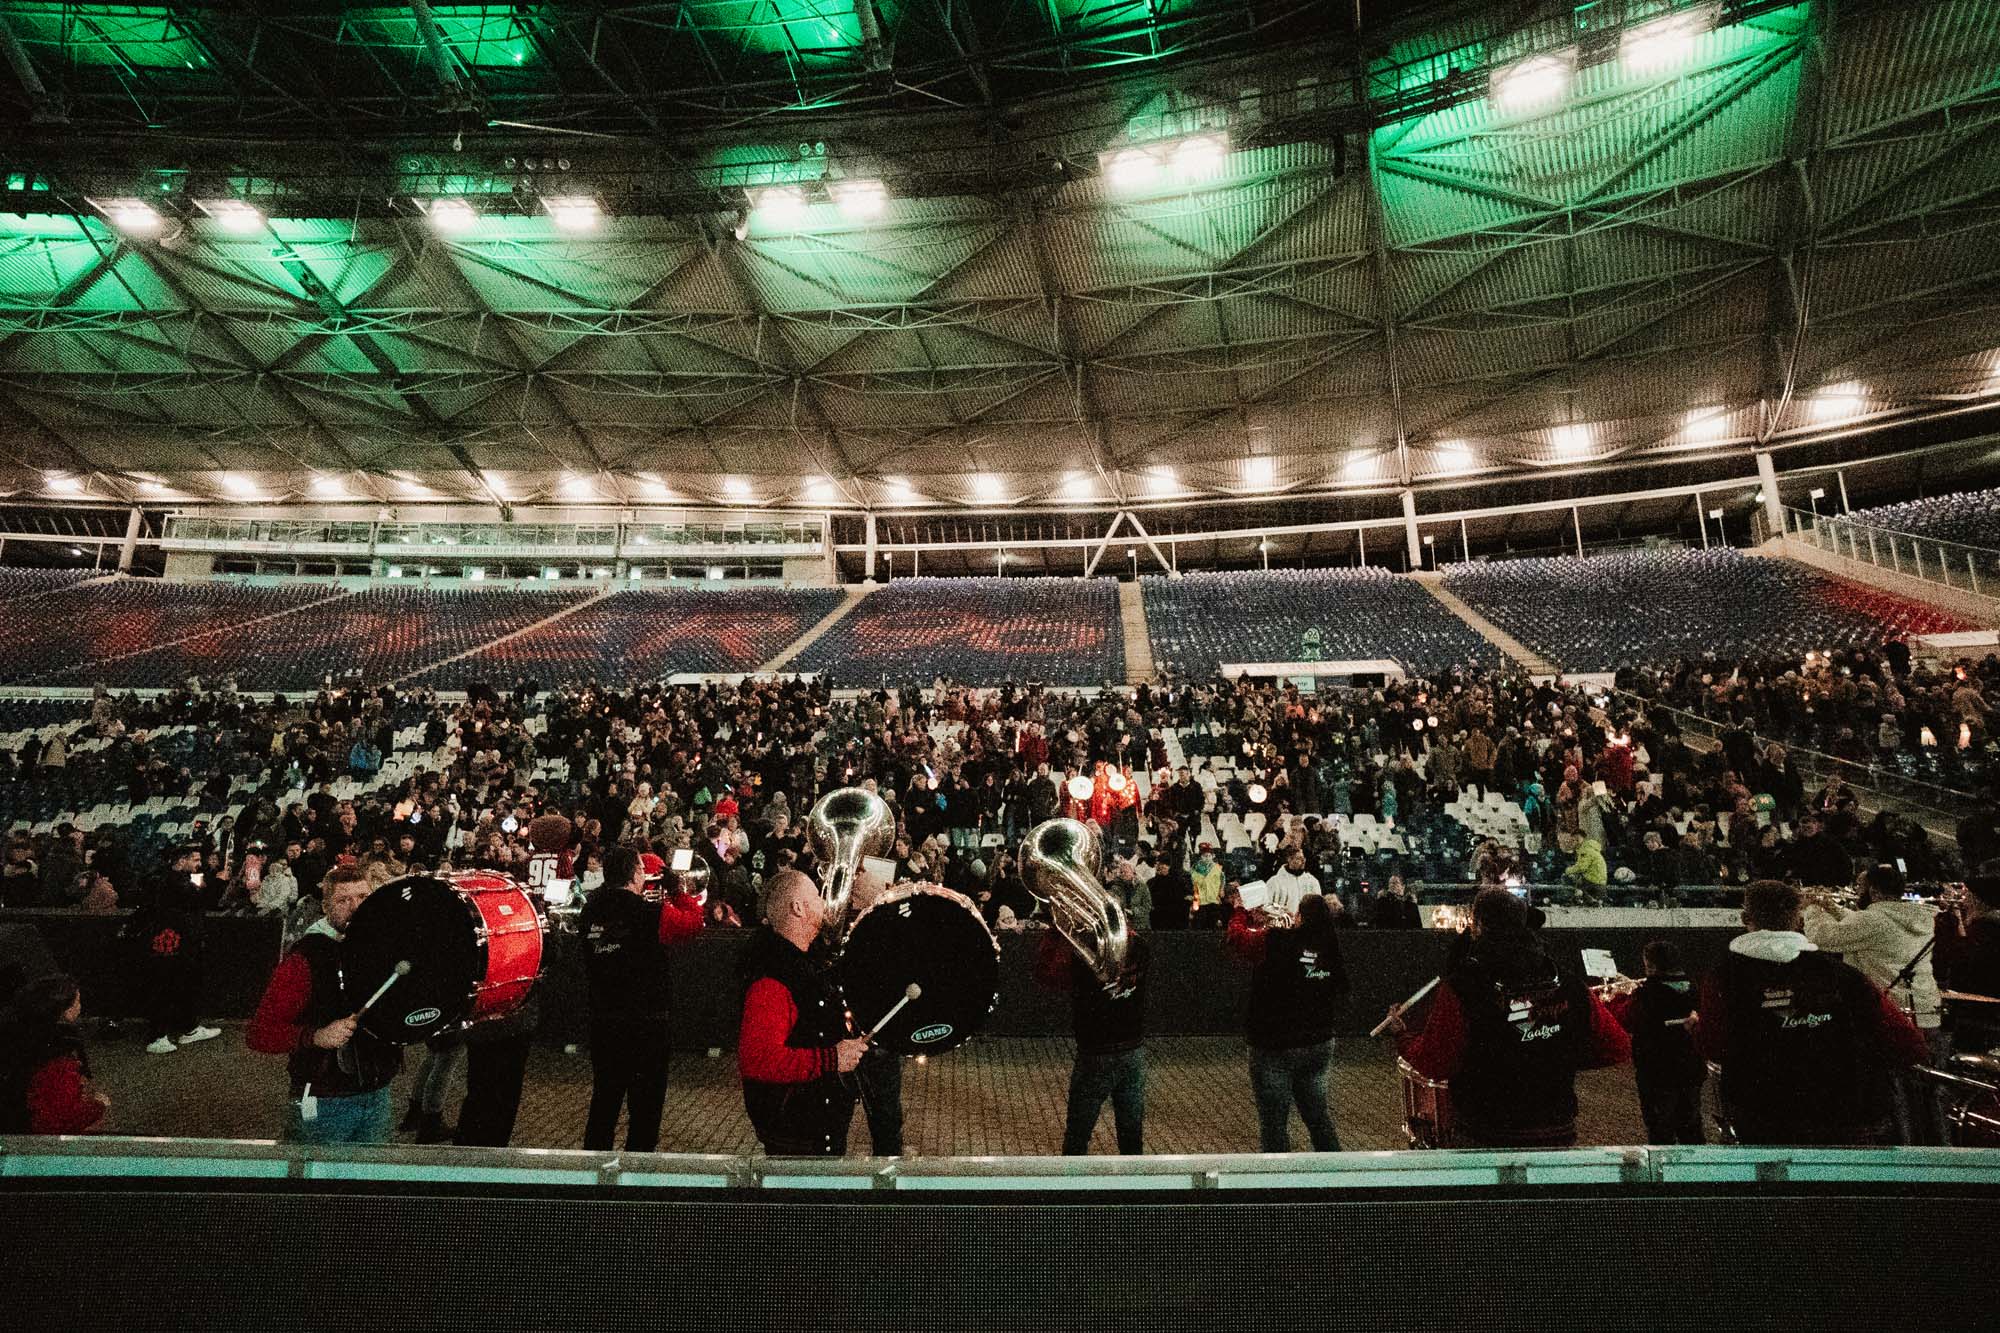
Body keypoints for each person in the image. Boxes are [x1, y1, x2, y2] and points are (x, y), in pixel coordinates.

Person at [1382, 888, 1630, 1148]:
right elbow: (1617, 1046)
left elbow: (1436, 1062)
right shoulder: (1567, 983)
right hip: (1556, 1130)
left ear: (1478, 926)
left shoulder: (1464, 986)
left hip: (1487, 1133)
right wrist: (1556, 1056)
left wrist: (1403, 1036)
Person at [1697, 879, 1929, 1145]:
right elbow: (1908, 1043)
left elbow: (1714, 1045)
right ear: (1798, 920)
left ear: (1745, 918)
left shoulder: (1723, 976)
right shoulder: (1845, 976)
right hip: (1845, 1112)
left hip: (1762, 1112)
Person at [245, 865, 403, 1143]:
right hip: (324, 1101)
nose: (356, 907)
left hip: (378, 1095)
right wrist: (315, 1036)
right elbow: (259, 1033)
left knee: (368, 1182)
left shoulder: (381, 948)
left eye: (363, 897)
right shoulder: (304, 959)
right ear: (326, 906)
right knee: (315, 1183)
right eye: (344, 900)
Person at [1802, 863, 1949, 1143]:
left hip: (1888, 1012)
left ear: (1873, 891)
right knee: (1929, 1090)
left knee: (1894, 1089)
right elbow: (1865, 925)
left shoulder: (1872, 921)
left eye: (1860, 888)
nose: (1857, 893)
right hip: (1925, 1011)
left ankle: (1903, 1144)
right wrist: (1832, 908)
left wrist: (1812, 908)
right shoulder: (1922, 917)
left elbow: (1823, 938)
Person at [579, 846, 706, 1153]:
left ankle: (590, 1174)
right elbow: (694, 923)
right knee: (645, 1110)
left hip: (604, 1020)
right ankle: (638, 1175)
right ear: (636, 874)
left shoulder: (589, 911)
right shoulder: (651, 913)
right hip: (646, 1025)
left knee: (604, 1101)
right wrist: (678, 891)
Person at [737, 869, 867, 1156]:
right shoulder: (772, 978)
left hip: (812, 1128)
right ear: (798, 907)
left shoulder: (802, 962)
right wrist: (832, 1058)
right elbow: (758, 1060)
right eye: (816, 897)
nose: (823, 903)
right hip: (797, 1137)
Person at [1227, 893, 1349, 1152]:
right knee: (1318, 1117)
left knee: (1274, 1123)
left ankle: (1278, 1183)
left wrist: (1241, 911)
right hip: (1318, 1042)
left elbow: (1238, 939)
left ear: (1300, 917)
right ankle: (1337, 1174)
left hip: (1276, 1045)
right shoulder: (1328, 944)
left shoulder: (1277, 940)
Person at [1036, 927, 1150, 1155]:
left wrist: (1057, 932)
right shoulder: (1139, 948)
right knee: (1131, 1135)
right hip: (1132, 1049)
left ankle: (1073, 1188)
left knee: (1077, 1136)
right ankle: (1135, 1188)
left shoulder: (1081, 955)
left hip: (1095, 1054)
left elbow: (1046, 974)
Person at [1603, 940, 1705, 1144]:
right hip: (1690, 1068)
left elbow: (1627, 1019)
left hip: (1657, 1071)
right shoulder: (1694, 987)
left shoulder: (1647, 994)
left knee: (1660, 1129)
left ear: (1651, 966)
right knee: (1691, 1125)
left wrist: (1615, 998)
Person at [132, 844, 221, 1056]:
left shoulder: (180, 878)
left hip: (183, 942)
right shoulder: (171, 882)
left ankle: (188, 1028)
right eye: (196, 860)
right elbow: (199, 898)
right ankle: (158, 1036)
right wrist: (218, 882)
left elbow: (198, 893)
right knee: (166, 987)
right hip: (172, 942)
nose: (200, 864)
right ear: (181, 861)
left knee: (183, 986)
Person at [0, 974, 108, 1135]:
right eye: (77, 1001)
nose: (79, 1006)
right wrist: (99, 1106)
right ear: (65, 1011)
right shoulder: (57, 1059)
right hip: (25, 1141)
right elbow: (61, 1120)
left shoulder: (12, 1036)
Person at [845, 870, 905, 1156]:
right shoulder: (882, 929)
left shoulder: (873, 929)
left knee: (883, 1112)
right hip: (869, 1035)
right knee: (885, 1114)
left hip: (866, 1033)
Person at [1937, 874, 2000, 1053]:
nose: (1963, 902)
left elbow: (1959, 962)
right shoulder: (1987, 929)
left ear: (1978, 901)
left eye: (1967, 897)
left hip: (1977, 1012)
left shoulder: (1985, 931)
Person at [1263, 848, 1320, 919]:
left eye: (1304, 858)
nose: (1303, 862)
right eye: (1299, 858)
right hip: (1283, 925)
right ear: (1289, 859)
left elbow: (1319, 906)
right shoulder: (1274, 882)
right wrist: (1281, 912)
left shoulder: (1312, 881)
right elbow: (1265, 905)